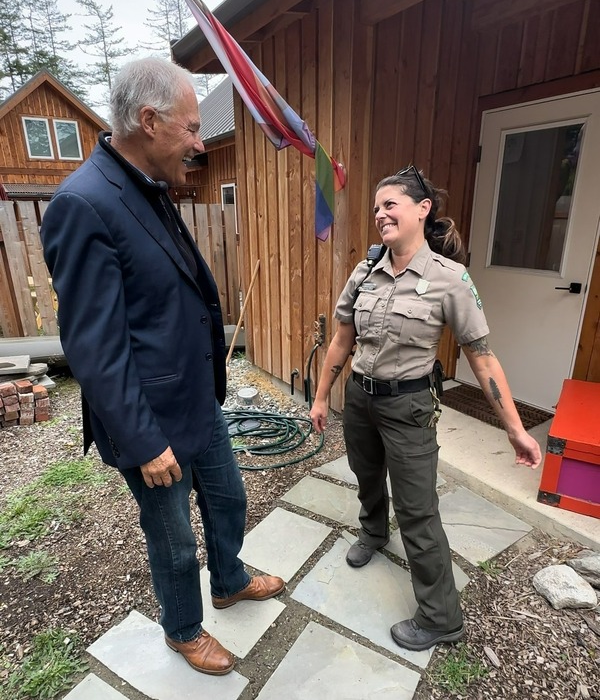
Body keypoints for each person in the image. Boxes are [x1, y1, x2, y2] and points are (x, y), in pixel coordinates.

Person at [41, 57, 284, 676]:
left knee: (229, 499)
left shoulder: (147, 183)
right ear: (149, 120)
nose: (201, 144)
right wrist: (145, 442)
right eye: (193, 128)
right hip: (150, 419)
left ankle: (228, 580)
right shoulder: (85, 201)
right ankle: (182, 628)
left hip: (197, 398)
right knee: (174, 539)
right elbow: (93, 345)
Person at [309, 165, 542, 652]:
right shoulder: (365, 270)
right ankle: (372, 532)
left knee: (417, 511)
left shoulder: (450, 279)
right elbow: (341, 340)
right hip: (360, 399)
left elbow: (482, 357)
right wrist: (320, 395)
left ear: (422, 209)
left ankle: (441, 618)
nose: (380, 214)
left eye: (389, 204)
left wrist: (516, 430)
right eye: (376, 207)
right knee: (366, 475)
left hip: (409, 407)